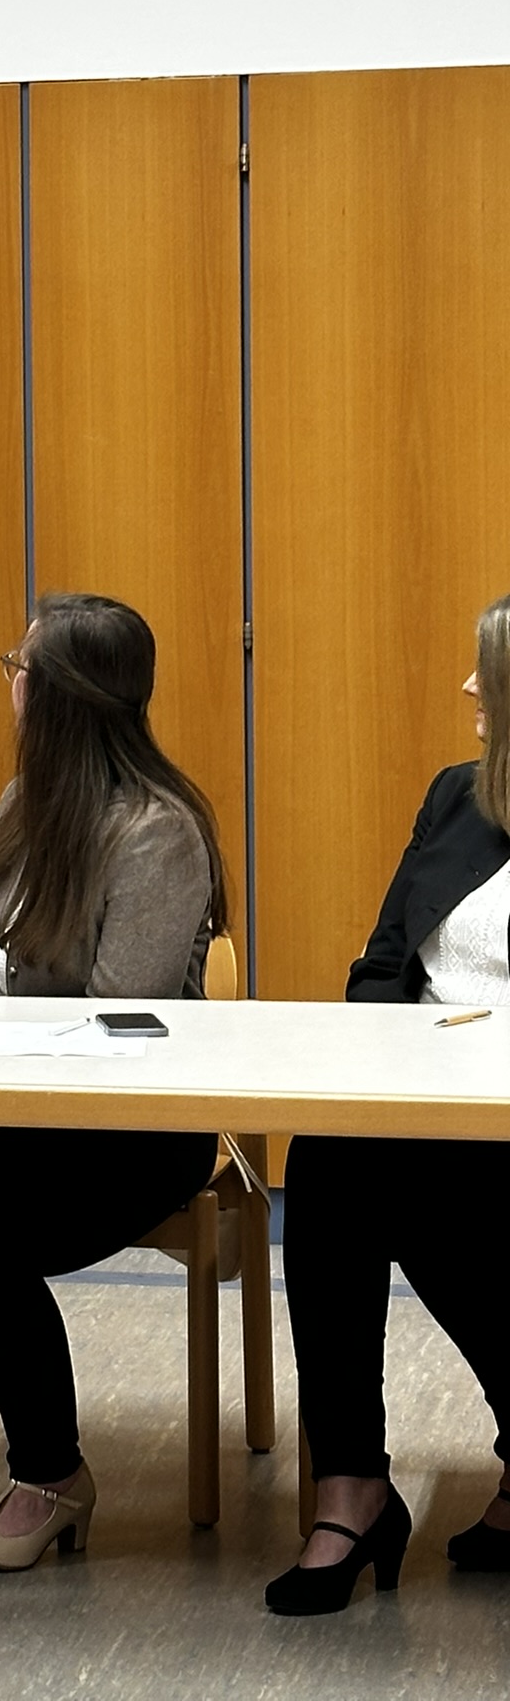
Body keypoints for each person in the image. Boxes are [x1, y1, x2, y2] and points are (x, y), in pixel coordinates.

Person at [0, 593, 228, 1572]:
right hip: (7, 1109)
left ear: (60, 694)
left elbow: (120, 1020)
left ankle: (53, 1474)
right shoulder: (25, 802)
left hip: (132, 1131)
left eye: (19, 666)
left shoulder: (158, 830)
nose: (10, 682)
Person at [264, 591, 510, 1617]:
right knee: (329, 1157)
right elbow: (381, 965)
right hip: (430, 1098)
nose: (468, 686)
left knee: (412, 1192)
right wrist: (386, 1058)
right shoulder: (457, 796)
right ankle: (351, 1484)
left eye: (488, 670)